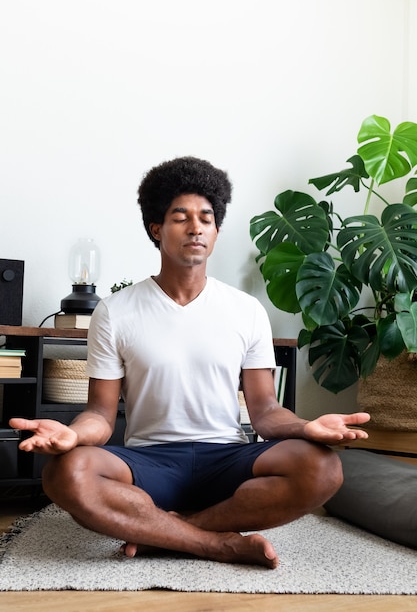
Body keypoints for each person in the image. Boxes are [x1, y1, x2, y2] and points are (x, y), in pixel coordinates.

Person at [10, 157, 370, 569]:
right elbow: (100, 414)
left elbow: (266, 412)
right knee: (63, 474)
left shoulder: (246, 310)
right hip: (149, 463)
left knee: (323, 469)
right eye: (181, 217)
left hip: (227, 460)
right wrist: (73, 436)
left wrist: (305, 427)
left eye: (207, 218)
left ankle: (165, 532)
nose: (196, 227)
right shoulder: (116, 311)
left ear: (216, 231)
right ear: (157, 229)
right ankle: (216, 545)